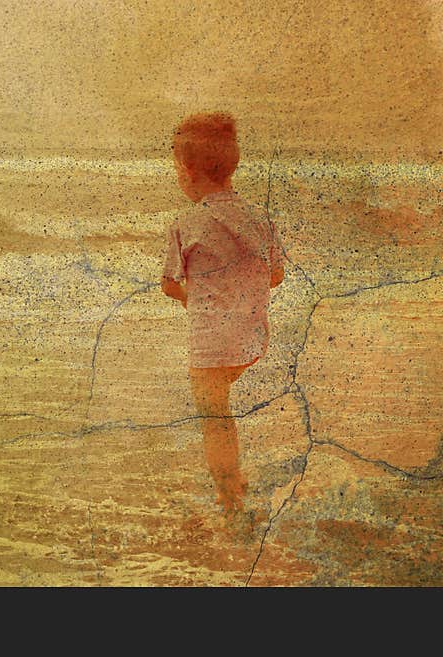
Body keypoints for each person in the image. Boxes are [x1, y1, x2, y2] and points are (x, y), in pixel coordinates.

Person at [162, 112, 285, 525]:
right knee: (222, 406)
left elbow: (169, 285)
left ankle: (230, 499)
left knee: (214, 415)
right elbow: (276, 275)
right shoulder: (261, 216)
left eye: (177, 168)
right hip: (253, 337)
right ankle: (234, 484)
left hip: (212, 343)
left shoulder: (184, 222)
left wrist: (194, 299)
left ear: (189, 172)